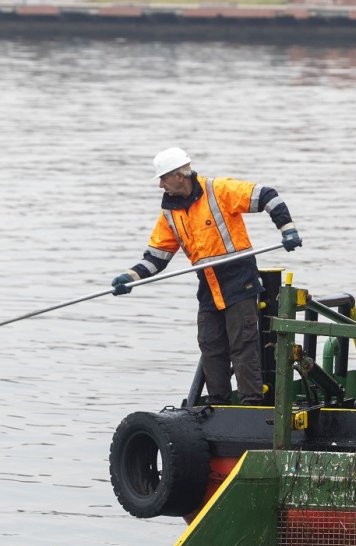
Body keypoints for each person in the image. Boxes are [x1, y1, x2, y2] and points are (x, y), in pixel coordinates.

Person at [111, 147, 302, 406]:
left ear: (179, 176)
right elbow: (157, 256)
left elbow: (267, 196)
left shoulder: (219, 190)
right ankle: (218, 406)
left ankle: (251, 405)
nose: (160, 185)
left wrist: (287, 229)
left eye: (163, 179)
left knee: (242, 347)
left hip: (239, 280)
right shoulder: (170, 212)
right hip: (208, 287)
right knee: (210, 347)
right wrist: (130, 277)